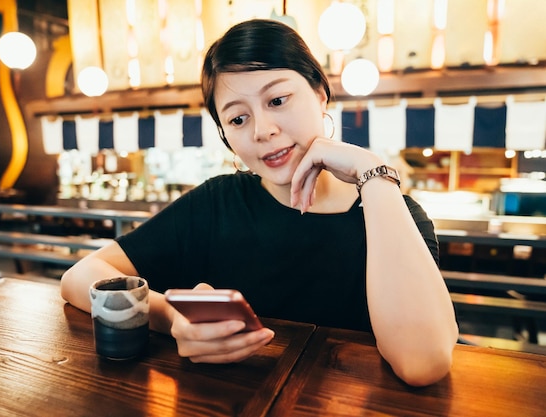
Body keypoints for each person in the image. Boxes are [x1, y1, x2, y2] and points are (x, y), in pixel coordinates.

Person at [61, 19, 458, 387]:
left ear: (320, 94)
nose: (263, 131)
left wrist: (373, 175)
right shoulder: (216, 203)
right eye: (237, 119)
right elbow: (79, 278)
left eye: (278, 100)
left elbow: (423, 362)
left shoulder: (393, 215)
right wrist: (169, 317)